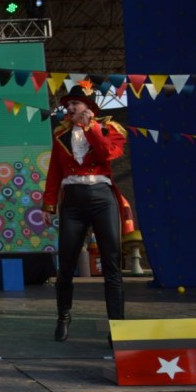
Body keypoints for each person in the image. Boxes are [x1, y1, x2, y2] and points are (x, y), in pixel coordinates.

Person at [43, 83, 129, 342]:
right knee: (66, 264)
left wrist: (90, 127)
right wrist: (48, 204)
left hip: (102, 197)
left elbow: (108, 153)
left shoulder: (109, 129)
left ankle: (117, 325)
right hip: (73, 200)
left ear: (88, 107)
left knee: (112, 264)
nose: (69, 108)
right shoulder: (61, 133)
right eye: (67, 104)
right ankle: (63, 317)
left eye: (75, 104)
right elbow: (55, 171)